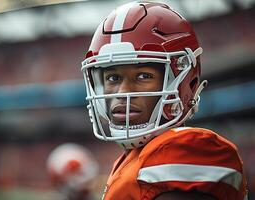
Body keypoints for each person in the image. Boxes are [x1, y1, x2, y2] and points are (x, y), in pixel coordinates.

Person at [81, 1, 248, 200]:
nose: (123, 92)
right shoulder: (134, 157)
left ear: (187, 82)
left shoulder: (184, 150)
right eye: (113, 78)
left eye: (143, 76)